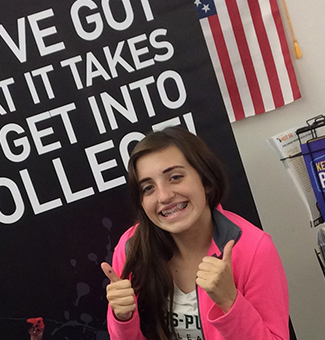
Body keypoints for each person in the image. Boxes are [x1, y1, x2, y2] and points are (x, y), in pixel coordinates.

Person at [101, 127, 290, 340]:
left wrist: (230, 302)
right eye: (148, 188)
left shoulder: (255, 248)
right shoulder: (131, 247)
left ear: (206, 181)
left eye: (175, 177)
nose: (164, 196)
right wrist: (123, 319)